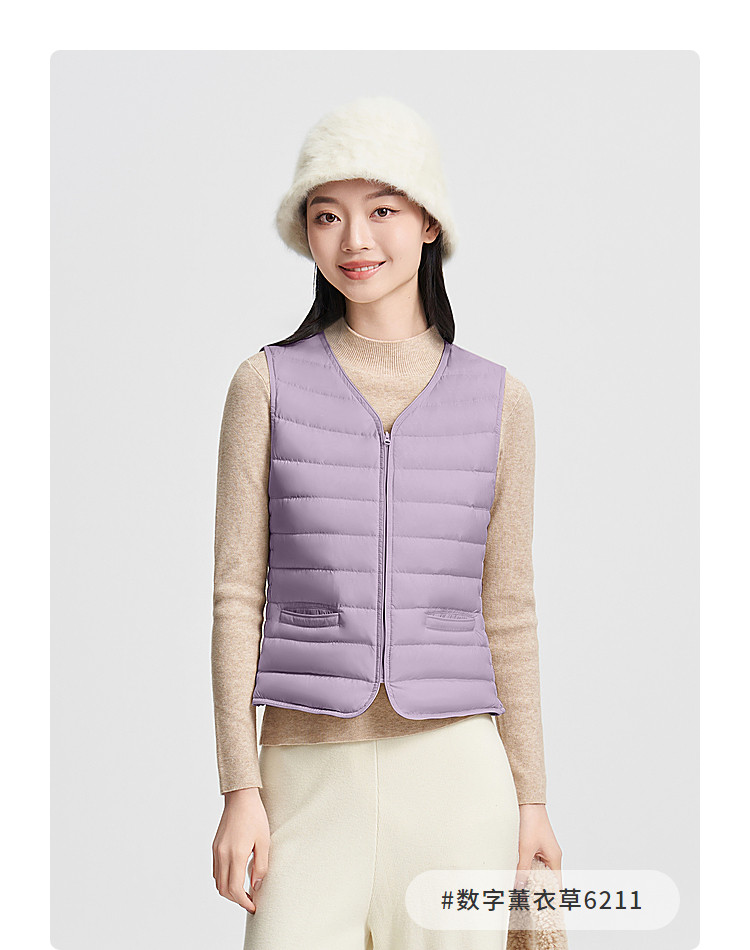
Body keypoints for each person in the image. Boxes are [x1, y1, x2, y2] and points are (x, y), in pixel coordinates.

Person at [211, 96, 563, 949]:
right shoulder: (265, 385)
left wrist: (531, 801)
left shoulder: (500, 401)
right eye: (327, 215)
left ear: (429, 222)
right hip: (302, 777)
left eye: (382, 210)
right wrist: (239, 787)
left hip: (457, 780)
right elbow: (235, 598)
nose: (354, 240)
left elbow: (509, 612)